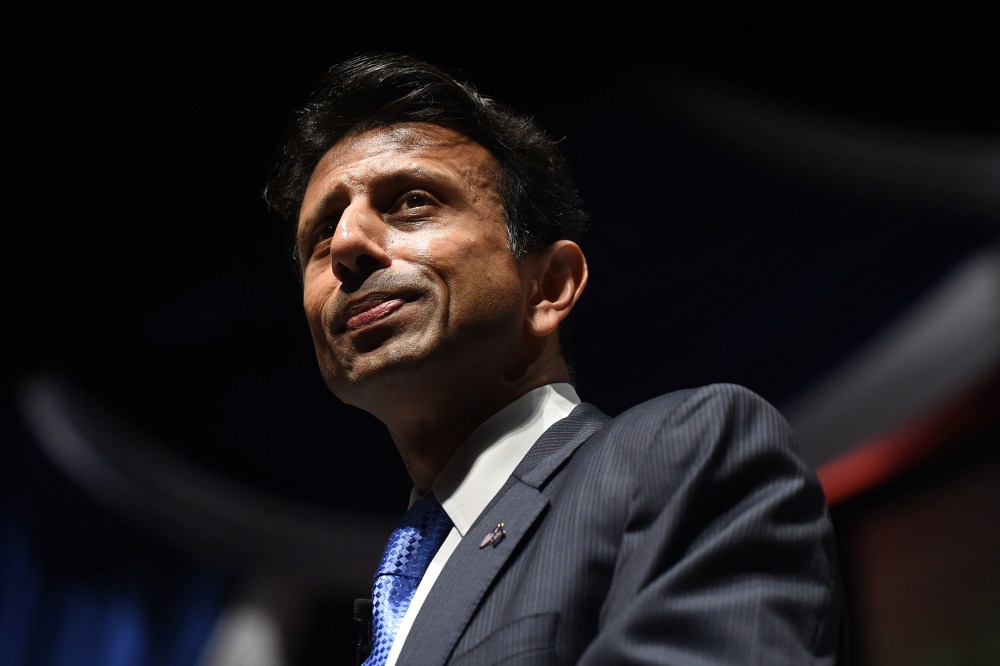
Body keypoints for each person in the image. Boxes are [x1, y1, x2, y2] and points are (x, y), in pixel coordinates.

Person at [262, 51, 847, 665]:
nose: (348, 247)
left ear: (548, 287)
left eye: (411, 201)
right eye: (322, 233)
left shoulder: (685, 452)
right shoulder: (400, 589)